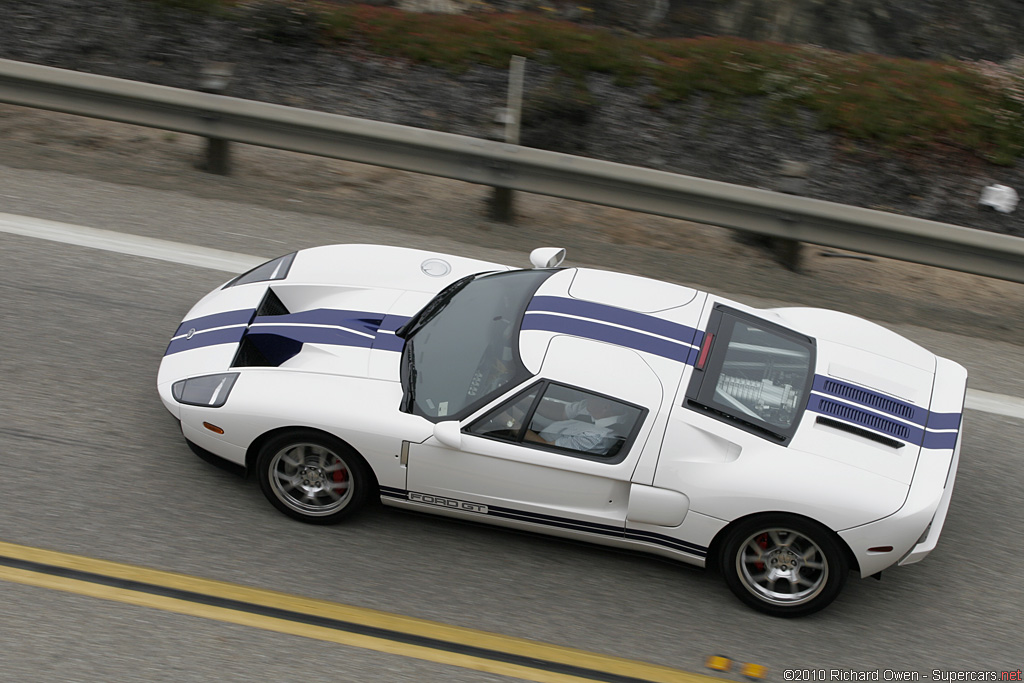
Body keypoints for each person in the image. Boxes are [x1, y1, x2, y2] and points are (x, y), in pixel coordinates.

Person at [524, 395, 625, 454]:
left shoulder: (596, 437)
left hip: (541, 451)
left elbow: (546, 447)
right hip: (544, 435)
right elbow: (561, 412)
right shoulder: (590, 407)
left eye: (592, 397)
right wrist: (528, 400)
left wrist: (514, 425)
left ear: (606, 407)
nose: (587, 397)